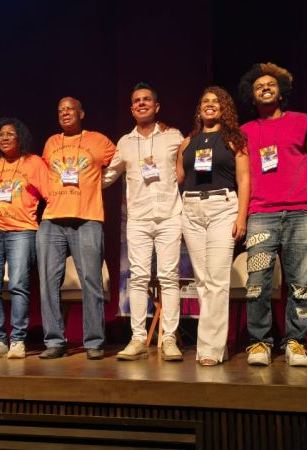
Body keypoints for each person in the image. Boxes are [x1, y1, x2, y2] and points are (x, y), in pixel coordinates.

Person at [237, 62, 307, 367]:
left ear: (281, 92)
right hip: (260, 213)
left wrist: (298, 184)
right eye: (259, 86)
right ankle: (259, 342)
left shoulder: (303, 122)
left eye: (271, 85)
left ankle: (295, 342)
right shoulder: (244, 132)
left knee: (300, 281)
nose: (265, 88)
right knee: (257, 283)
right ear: (252, 96)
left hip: (299, 213)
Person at [103, 82, 184, 361]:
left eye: (146, 99)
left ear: (156, 106)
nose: (141, 103)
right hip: (138, 218)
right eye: (136, 100)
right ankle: (138, 339)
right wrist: (79, 183)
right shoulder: (125, 143)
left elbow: (187, 167)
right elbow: (108, 176)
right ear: (131, 109)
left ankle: (169, 338)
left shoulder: (173, 136)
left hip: (170, 216)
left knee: (169, 278)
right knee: (137, 278)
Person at [37, 97, 116, 360]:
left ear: (81, 113)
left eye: (70, 109)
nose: (65, 113)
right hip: (52, 220)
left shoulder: (99, 140)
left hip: (87, 218)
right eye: (60, 110)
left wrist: (98, 184)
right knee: (48, 283)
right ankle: (54, 341)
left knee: (91, 281)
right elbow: (40, 172)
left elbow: (121, 162)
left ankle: (94, 342)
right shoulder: (51, 142)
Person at [176, 86, 250, 366]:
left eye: (216, 102)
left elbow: (244, 179)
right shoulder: (188, 142)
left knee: (217, 281)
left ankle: (210, 349)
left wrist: (241, 216)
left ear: (224, 108)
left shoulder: (234, 140)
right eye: (205, 101)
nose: (209, 105)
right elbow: (179, 178)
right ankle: (216, 346)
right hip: (191, 209)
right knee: (203, 281)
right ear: (199, 109)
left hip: (223, 207)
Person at [0, 118, 49, 360]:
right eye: (0, 134)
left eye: (10, 134)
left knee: (18, 285)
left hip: (22, 229)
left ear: (21, 137)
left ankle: (17, 340)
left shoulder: (34, 162)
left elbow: (50, 195)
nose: (4, 138)